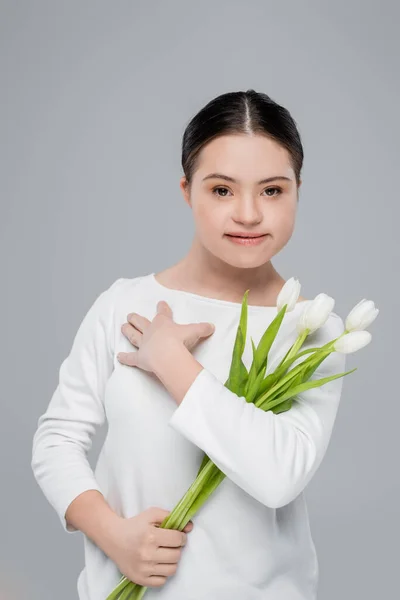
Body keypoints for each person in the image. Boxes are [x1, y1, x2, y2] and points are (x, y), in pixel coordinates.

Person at [31, 89, 346, 600]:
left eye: (272, 191)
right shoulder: (124, 303)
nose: (248, 214)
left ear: (297, 191)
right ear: (187, 190)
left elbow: (278, 476)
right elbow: (57, 439)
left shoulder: (313, 329)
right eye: (222, 190)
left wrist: (172, 362)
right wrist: (112, 535)